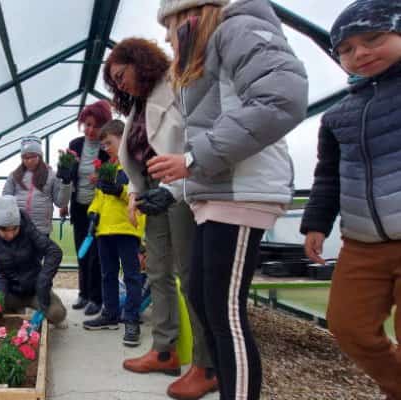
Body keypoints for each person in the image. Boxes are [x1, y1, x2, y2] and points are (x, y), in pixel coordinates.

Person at [155, 0, 308, 399]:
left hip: (242, 191)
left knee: (226, 314)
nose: (166, 36)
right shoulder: (213, 48)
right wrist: (181, 177)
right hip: (220, 191)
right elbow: (214, 126)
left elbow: (283, 98)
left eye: (167, 25)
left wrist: (191, 159)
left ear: (189, 15)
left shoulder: (236, 30)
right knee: (209, 307)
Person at [104, 37, 216, 398]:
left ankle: (206, 363)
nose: (120, 85)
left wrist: (170, 184)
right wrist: (136, 193)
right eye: (115, 82)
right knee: (157, 270)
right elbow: (136, 156)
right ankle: (165, 350)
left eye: (122, 75)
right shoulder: (138, 105)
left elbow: (191, 138)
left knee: (188, 272)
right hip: (153, 190)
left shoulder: (177, 85)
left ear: (141, 62)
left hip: (180, 183)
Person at [300, 1, 401, 398]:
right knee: (347, 325)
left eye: (373, 39)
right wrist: (315, 223)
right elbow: (327, 175)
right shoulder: (338, 116)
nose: (360, 53)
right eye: (346, 49)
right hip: (362, 244)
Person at [81, 120, 146, 348]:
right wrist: (92, 213)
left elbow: (138, 194)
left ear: (123, 138)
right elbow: (99, 197)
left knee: (131, 276)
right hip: (104, 230)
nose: (106, 147)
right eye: (104, 144)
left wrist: (121, 190)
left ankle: (131, 318)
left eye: (109, 142)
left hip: (127, 228)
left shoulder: (134, 166)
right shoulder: (108, 168)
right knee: (107, 274)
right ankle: (110, 313)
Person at [0, 195, 68, 327]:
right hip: (13, 292)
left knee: (57, 314)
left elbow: (54, 251)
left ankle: (26, 309)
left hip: (36, 290)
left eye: (14, 229)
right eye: (5, 230)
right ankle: (16, 309)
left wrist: (43, 281)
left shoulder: (29, 231)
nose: (10, 235)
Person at [62, 100, 111, 316]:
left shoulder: (108, 148)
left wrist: (101, 178)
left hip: (99, 208)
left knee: (95, 255)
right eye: (87, 125)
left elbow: (116, 173)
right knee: (81, 251)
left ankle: (96, 297)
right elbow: (67, 176)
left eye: (95, 126)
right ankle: (83, 293)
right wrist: (63, 201)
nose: (90, 130)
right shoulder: (75, 145)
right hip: (79, 206)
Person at [3, 136, 71, 236]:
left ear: (40, 155)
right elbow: (6, 200)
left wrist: (66, 183)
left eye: (33, 156)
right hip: (18, 230)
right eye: (25, 157)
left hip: (41, 231)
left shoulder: (51, 175)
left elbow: (60, 202)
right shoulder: (14, 176)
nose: (29, 160)